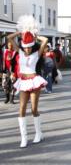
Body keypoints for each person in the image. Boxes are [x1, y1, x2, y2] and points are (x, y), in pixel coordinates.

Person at [8, 15, 48, 148]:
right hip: (23, 81)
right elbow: (9, 38)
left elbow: (46, 40)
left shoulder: (37, 53)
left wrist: (35, 35)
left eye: (29, 47)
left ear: (32, 46)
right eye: (25, 47)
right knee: (21, 109)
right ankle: (23, 138)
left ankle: (39, 133)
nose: (27, 49)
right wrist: (21, 32)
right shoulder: (19, 51)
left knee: (34, 109)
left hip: (34, 80)